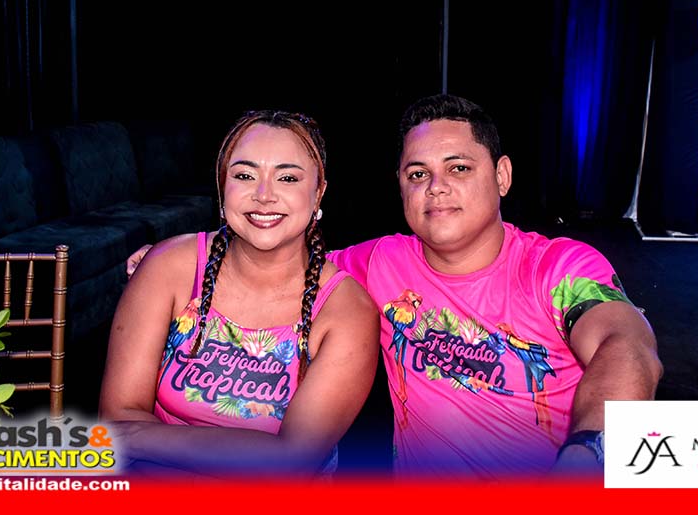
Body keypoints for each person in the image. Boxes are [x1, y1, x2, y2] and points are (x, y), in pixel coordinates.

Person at [126, 94, 663, 479]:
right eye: (417, 173)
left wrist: (588, 453)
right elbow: (282, 259)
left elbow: (627, 347)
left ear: (501, 176)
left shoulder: (558, 268)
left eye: (459, 168)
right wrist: (181, 260)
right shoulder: (381, 263)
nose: (436, 187)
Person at [99, 110, 380, 478]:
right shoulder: (168, 266)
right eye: (245, 175)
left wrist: (141, 437)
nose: (264, 195)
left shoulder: (346, 311)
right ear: (222, 187)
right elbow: (118, 417)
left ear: (318, 193)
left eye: (287, 178)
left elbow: (291, 462)